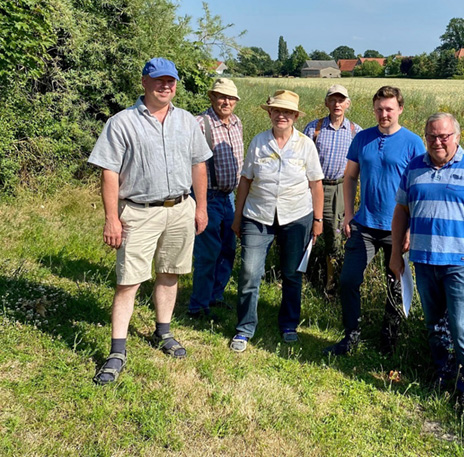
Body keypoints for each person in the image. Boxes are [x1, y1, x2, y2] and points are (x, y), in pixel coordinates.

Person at [88, 57, 211, 385]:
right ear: (144, 82)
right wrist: (111, 218)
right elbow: (109, 172)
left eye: (171, 81)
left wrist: (200, 207)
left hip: (181, 208)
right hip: (139, 211)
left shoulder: (187, 121)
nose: (165, 86)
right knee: (129, 281)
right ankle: (117, 351)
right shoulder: (122, 123)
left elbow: (199, 165)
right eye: (159, 80)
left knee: (170, 272)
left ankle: (163, 332)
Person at [389, 112, 464, 401]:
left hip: (459, 264)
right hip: (424, 260)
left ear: (457, 137)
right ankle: (444, 374)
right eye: (431, 136)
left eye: (444, 136)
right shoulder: (414, 167)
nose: (437, 142)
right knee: (435, 325)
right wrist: (395, 253)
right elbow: (401, 211)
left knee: (462, 327)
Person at [324, 86, 426, 356]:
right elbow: (350, 177)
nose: (384, 114)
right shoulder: (362, 138)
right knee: (349, 280)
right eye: (379, 109)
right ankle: (351, 336)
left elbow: (418, 189)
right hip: (364, 225)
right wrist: (349, 213)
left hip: (397, 229)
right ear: (373, 109)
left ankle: (388, 342)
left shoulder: (413, 143)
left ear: (400, 109)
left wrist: (410, 229)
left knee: (394, 284)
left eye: (389, 109)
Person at [229, 90, 324, 352]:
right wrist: (238, 216)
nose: (282, 116)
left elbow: (316, 184)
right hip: (257, 216)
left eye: (287, 112)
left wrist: (318, 219)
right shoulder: (258, 142)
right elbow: (246, 180)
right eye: (277, 111)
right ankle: (244, 328)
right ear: (270, 113)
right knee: (250, 273)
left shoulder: (305, 144)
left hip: (296, 216)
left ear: (295, 116)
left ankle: (289, 325)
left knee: (292, 273)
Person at [188, 78, 244, 319]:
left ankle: (215, 295)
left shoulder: (237, 123)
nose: (226, 102)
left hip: (229, 196)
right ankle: (198, 305)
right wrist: (198, 203)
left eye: (231, 98)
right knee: (208, 252)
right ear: (212, 97)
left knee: (228, 250)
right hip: (207, 197)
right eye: (221, 96)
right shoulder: (200, 123)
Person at [302, 85, 361, 294]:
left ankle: (331, 284)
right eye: (333, 100)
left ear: (348, 104)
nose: (337, 104)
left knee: (334, 236)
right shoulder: (313, 128)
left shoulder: (355, 131)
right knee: (304, 230)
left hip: (339, 189)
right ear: (326, 103)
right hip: (312, 187)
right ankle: (298, 277)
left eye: (341, 100)